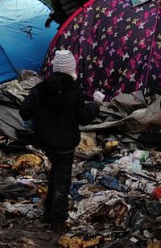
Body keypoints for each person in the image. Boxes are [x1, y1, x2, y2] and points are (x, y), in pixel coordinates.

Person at [19, 50, 100, 231]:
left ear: (55, 68)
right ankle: (58, 220)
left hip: (46, 141)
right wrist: (96, 105)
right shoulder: (75, 92)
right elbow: (83, 118)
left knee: (55, 174)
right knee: (62, 179)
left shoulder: (40, 89)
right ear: (71, 70)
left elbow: (25, 112)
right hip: (66, 144)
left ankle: (48, 213)